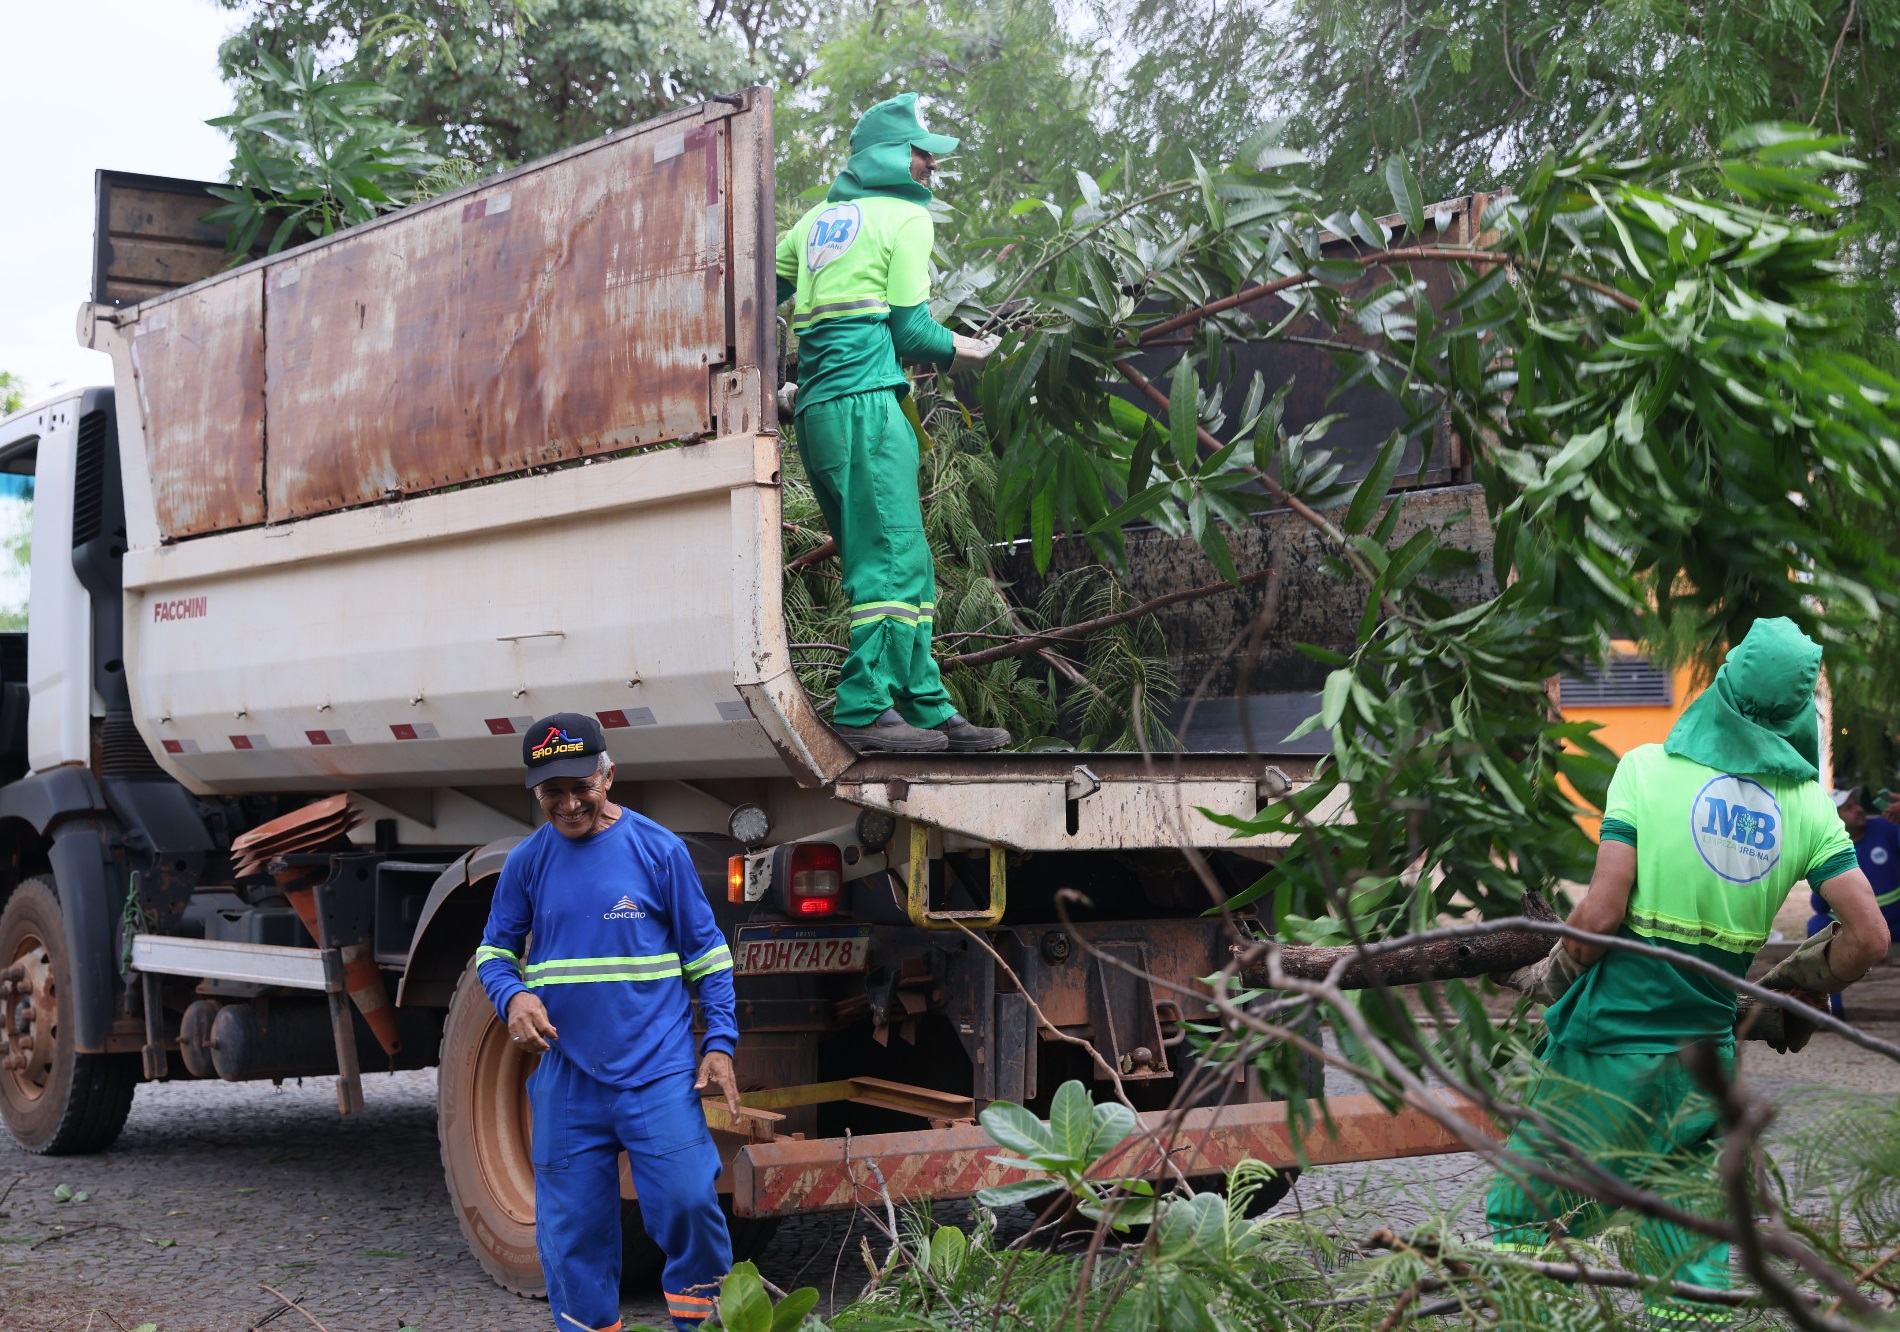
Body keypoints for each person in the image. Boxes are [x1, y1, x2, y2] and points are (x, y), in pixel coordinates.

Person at [1488, 619, 1890, 1325]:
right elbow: (1870, 936)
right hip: (1704, 1059)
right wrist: (1796, 980)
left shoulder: (1644, 769)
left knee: (1524, 1217)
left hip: (1606, 1048)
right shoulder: (1807, 810)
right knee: (1685, 1258)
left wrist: (1548, 976)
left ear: (1724, 684)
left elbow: (1602, 913)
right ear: (1796, 713)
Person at [476, 713, 742, 1332]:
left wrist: (720, 1043)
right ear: (535, 792)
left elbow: (709, 958)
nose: (569, 803)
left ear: (608, 775)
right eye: (552, 792)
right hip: (568, 1079)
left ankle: (704, 1324)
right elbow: (493, 951)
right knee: (572, 1235)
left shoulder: (659, 850)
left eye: (582, 786)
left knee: (687, 1203)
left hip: (658, 1072)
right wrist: (512, 998)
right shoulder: (526, 862)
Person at [775, 92, 1010, 755]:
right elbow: (910, 329)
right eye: (922, 154)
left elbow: (757, 293)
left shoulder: (816, 221)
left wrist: (776, 382)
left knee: (906, 565)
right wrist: (975, 349)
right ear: (886, 156)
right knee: (885, 567)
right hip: (868, 405)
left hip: (822, 409)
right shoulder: (906, 221)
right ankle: (862, 705)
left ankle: (928, 707)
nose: (931, 167)